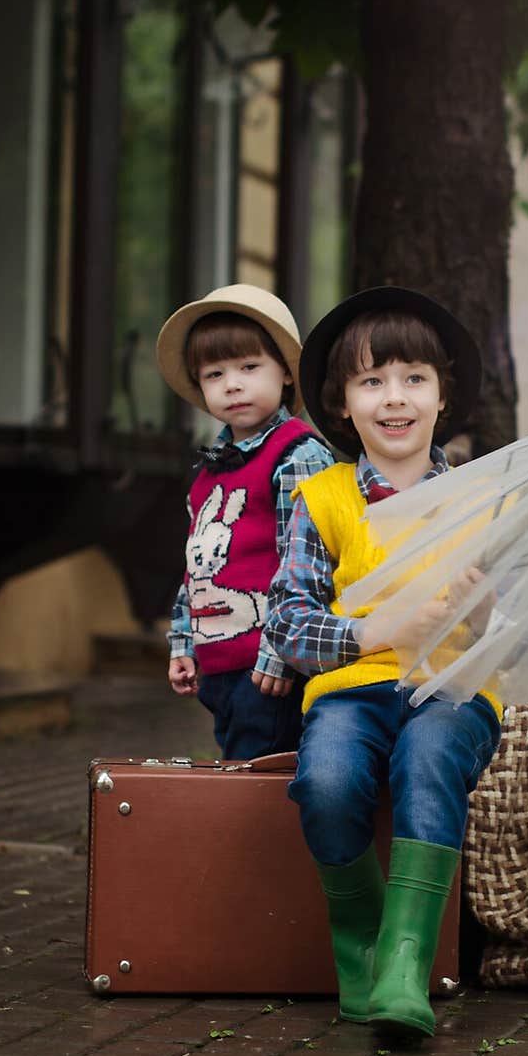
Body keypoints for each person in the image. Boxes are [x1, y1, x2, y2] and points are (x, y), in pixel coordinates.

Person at [266, 288, 502, 1038]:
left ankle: (406, 965)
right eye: (372, 381)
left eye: (413, 379)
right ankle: (361, 943)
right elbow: (288, 623)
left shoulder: (480, 500)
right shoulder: (322, 498)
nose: (393, 399)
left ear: (443, 395)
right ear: (341, 404)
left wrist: (486, 609)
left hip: (451, 688)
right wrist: (380, 630)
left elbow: (523, 626)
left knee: (430, 761)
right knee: (328, 780)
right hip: (352, 691)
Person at [156, 284, 333, 761]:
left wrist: (281, 652)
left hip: (270, 671)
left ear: (286, 375)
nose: (232, 384)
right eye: (215, 374)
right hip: (221, 668)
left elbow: (307, 565)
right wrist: (184, 643)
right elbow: (198, 568)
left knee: (260, 779)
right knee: (239, 771)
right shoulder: (211, 470)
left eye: (249, 367)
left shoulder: (296, 454)